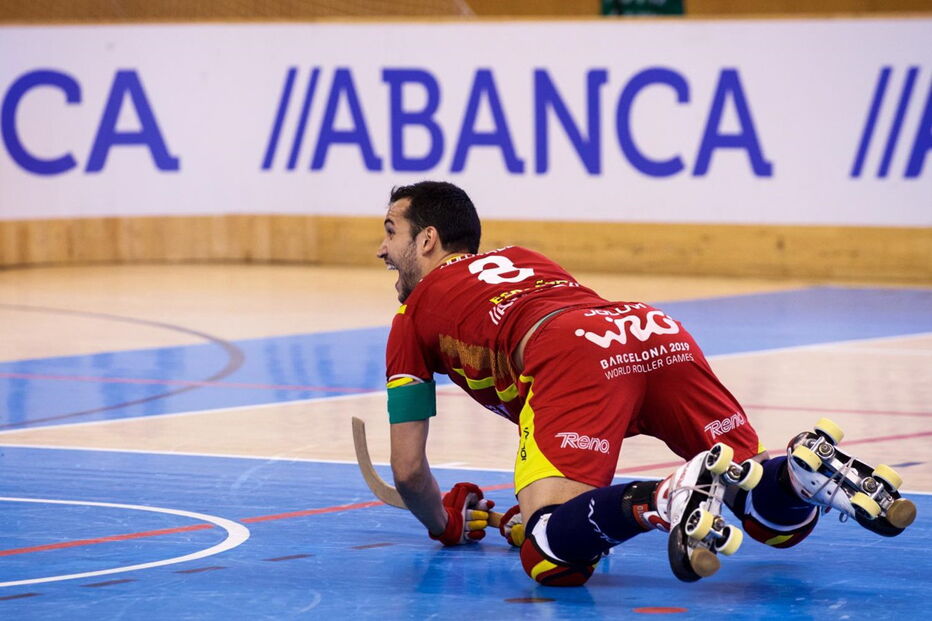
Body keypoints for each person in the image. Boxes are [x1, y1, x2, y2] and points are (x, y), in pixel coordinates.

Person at [376, 180, 916, 585]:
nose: (382, 250)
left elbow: (407, 469)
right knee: (763, 506)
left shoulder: (410, 318)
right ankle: (801, 475)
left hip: (571, 350)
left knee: (550, 556)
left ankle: (658, 498)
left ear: (428, 240)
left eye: (391, 232)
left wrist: (444, 521)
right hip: (651, 329)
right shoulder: (523, 257)